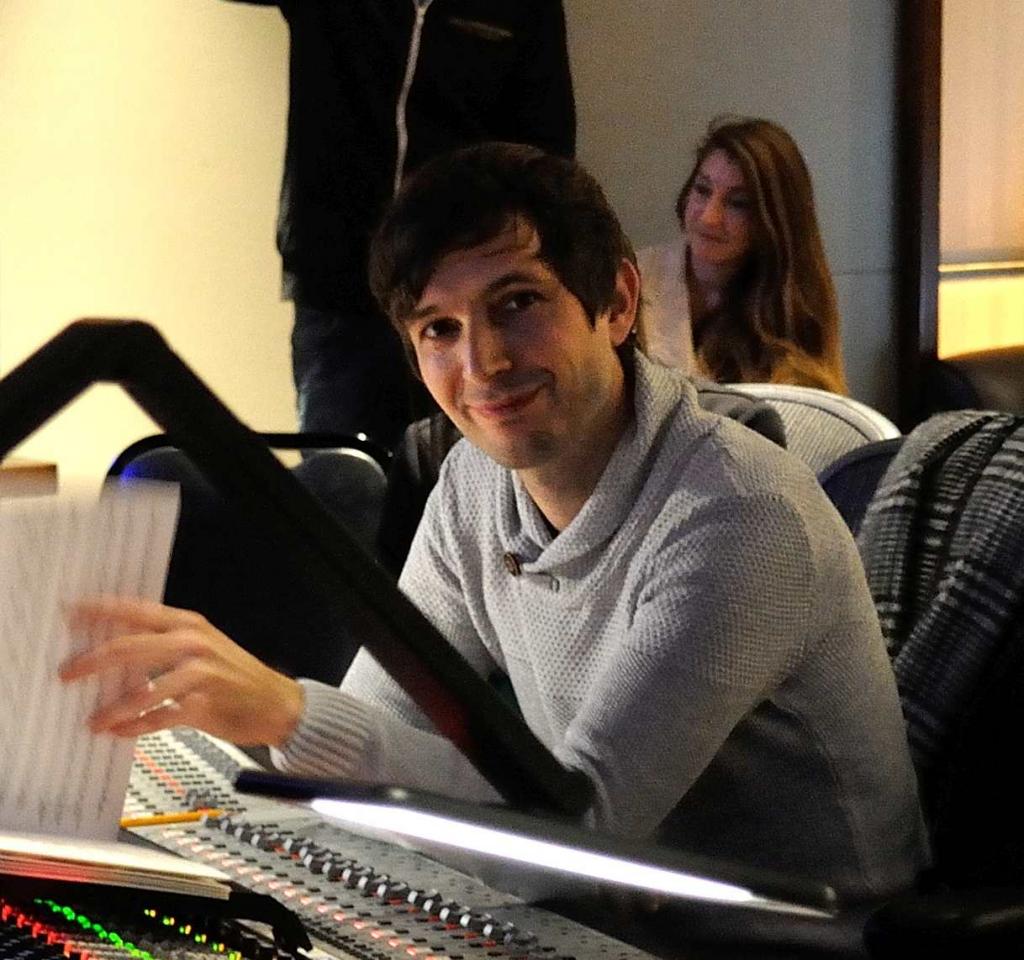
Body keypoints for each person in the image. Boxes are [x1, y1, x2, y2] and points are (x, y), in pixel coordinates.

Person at [60, 143, 926, 904]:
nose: (483, 363)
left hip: (794, 941)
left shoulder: (740, 515)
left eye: (517, 303)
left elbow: (579, 836)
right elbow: (383, 720)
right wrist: (277, 726)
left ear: (618, 303)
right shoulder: (475, 484)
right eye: (439, 328)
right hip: (611, 918)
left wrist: (288, 715)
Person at [225, 0, 576, 449]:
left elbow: (544, 160)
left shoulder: (526, 8)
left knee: (465, 463)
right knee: (346, 471)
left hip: (462, 299)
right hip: (338, 291)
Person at [637, 117, 848, 393]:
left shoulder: (792, 308)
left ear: (776, 220)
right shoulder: (630, 280)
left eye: (738, 203)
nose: (709, 217)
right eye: (702, 190)